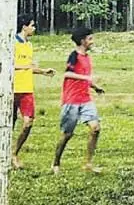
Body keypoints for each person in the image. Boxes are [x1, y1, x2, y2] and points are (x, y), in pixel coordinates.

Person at [53, 27, 105, 174]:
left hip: (85, 99)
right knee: (67, 134)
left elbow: (85, 77)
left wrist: (95, 87)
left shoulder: (87, 58)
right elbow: (68, 74)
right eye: (90, 39)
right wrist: (87, 78)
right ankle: (56, 162)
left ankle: (88, 163)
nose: (92, 42)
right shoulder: (73, 56)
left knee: (95, 128)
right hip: (71, 100)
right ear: (82, 41)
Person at [12, 14, 56, 169]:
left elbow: (29, 66)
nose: (34, 28)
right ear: (24, 26)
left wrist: (43, 71)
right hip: (12, 88)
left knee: (28, 123)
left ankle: (14, 153)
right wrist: (26, 67)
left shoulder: (29, 45)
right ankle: (2, 154)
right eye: (32, 25)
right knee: (9, 123)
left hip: (26, 89)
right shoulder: (12, 43)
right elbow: (10, 65)